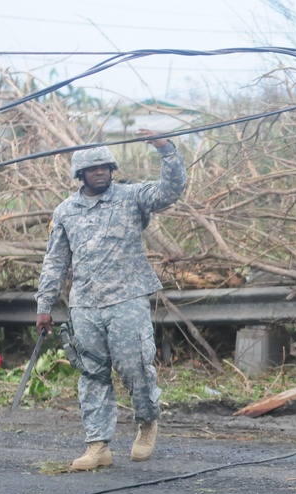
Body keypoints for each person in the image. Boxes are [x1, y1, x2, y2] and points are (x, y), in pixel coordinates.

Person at [35, 129, 186, 471]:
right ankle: (97, 445)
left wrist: (165, 149)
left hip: (127, 298)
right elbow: (55, 261)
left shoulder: (132, 197)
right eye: (94, 168)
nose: (101, 172)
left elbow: (170, 191)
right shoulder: (65, 212)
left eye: (105, 166)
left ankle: (147, 424)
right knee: (91, 373)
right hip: (85, 305)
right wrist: (44, 306)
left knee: (136, 367)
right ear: (81, 175)